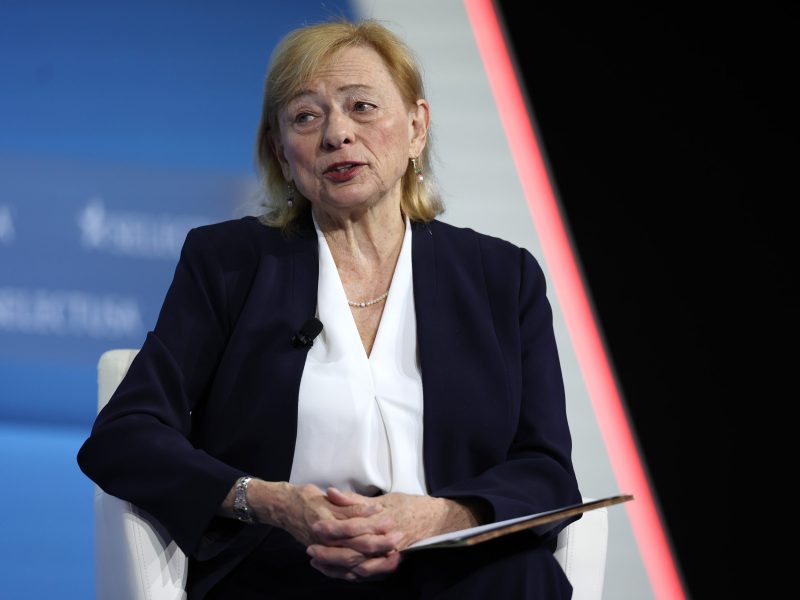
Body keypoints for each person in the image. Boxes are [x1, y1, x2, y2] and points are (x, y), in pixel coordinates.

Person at [77, 17, 582, 599]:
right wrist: (270, 501)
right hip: (285, 567)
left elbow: (546, 469)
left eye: (362, 106)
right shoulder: (228, 263)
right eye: (306, 116)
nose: (337, 134)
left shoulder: (501, 276)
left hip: (449, 568)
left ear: (417, 127)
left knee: (522, 578)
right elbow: (125, 435)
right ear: (280, 152)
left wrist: (437, 517)